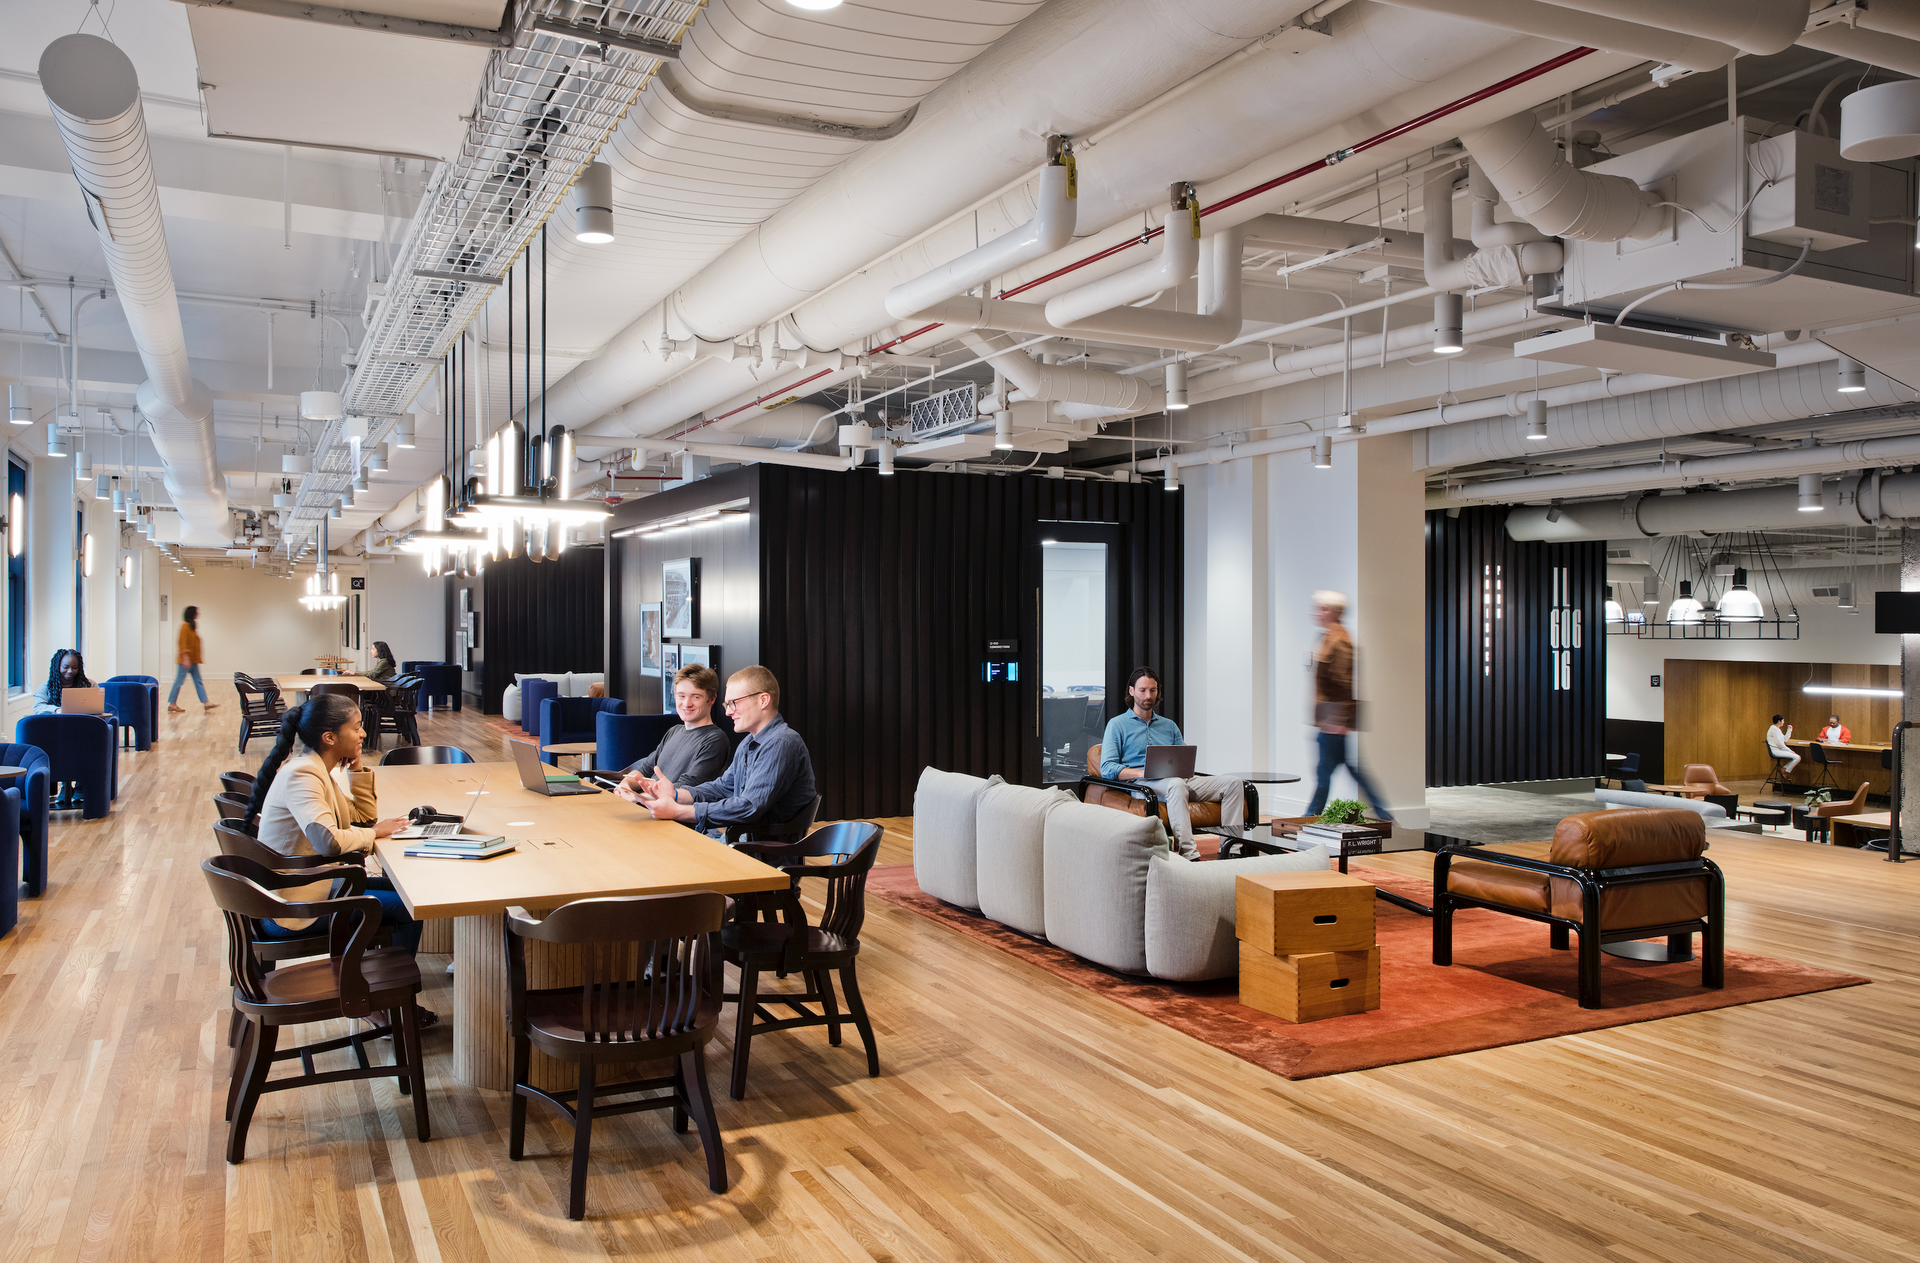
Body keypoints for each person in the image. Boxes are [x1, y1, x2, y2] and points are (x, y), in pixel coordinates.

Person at [244, 694, 429, 986]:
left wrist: (356, 770)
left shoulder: (315, 768)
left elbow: (362, 817)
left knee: (405, 888)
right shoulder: (303, 774)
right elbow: (327, 841)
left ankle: (376, 983)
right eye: (356, 728)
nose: (364, 733)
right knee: (408, 906)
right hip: (292, 907)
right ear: (330, 737)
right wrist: (375, 834)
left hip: (307, 886)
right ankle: (385, 993)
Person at [623, 665, 816, 837]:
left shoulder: (781, 743)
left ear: (763, 700)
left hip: (760, 858)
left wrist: (677, 811)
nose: (728, 712)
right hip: (739, 844)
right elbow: (722, 787)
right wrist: (674, 795)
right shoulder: (750, 742)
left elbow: (748, 807)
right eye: (727, 704)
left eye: (734, 703)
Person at [1098, 666, 1243, 858]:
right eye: (1142, 690)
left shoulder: (1169, 725)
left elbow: (1181, 759)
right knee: (1176, 784)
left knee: (1233, 783)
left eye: (1153, 690)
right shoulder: (1117, 725)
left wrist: (1184, 767)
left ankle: (1232, 851)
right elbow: (1107, 768)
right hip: (1144, 783)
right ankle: (1189, 854)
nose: (1148, 696)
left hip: (1179, 780)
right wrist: (1141, 772)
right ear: (1131, 691)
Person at [1306, 591, 1392, 821]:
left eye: (1322, 608)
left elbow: (1344, 682)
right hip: (1328, 718)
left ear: (1335, 611)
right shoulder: (1327, 637)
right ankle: (1383, 810)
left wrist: (1338, 721)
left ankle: (1310, 815)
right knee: (1347, 769)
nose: (1318, 612)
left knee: (1325, 772)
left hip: (1333, 720)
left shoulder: (1341, 641)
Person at [618, 663, 731, 793]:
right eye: (681, 696)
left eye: (695, 697)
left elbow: (689, 787)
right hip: (645, 803)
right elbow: (645, 770)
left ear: (711, 699)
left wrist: (641, 796)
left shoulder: (715, 740)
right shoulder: (674, 731)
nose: (686, 704)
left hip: (669, 810)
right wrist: (626, 784)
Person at [32, 650, 95, 808]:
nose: (70, 671)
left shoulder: (90, 685)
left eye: (74, 668)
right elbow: (38, 707)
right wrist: (57, 710)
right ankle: (65, 786)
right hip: (55, 733)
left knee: (85, 745)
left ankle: (80, 785)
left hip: (83, 732)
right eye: (66, 667)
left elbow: (97, 706)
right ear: (57, 666)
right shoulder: (45, 687)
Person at [167, 605, 218, 712]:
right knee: (179, 681)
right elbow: (182, 642)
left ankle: (206, 702)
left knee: (198, 681)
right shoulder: (184, 626)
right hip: (185, 661)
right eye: (196, 612)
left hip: (193, 661)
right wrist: (185, 657)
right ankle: (172, 704)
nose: (198, 614)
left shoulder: (192, 626)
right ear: (192, 614)